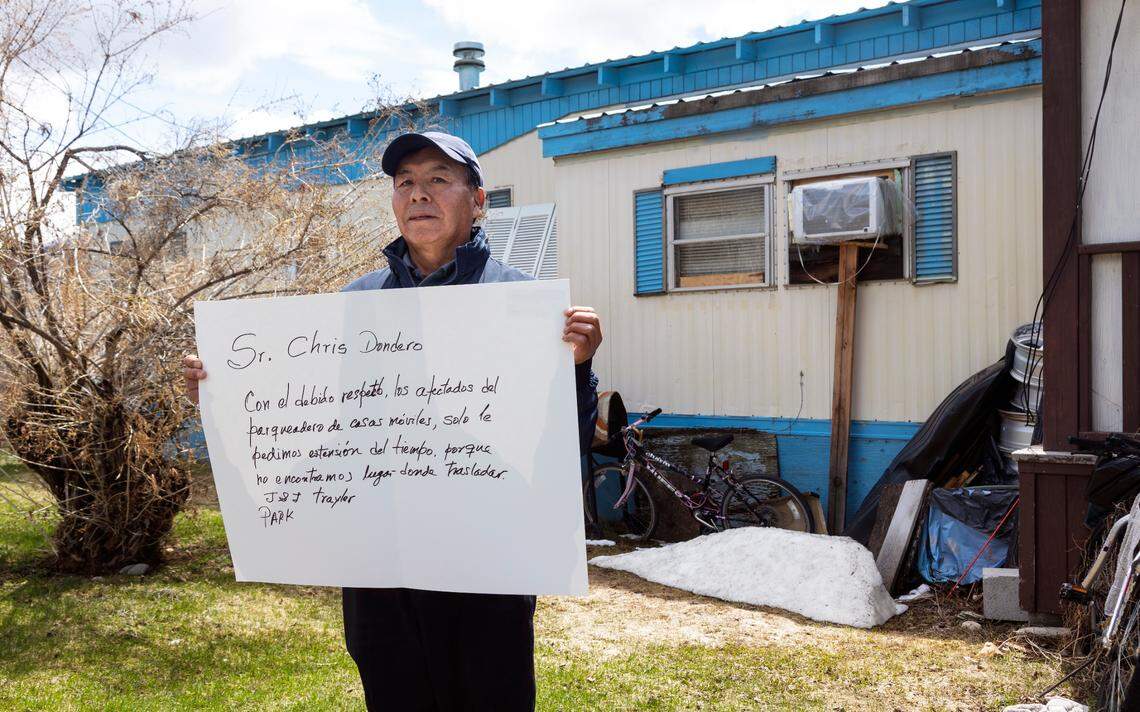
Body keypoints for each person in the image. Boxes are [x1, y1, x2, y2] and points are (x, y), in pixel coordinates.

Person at [182, 130, 602, 711]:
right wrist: (223, 392)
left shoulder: (524, 303)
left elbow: (564, 442)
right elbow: (315, 425)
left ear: (478, 200)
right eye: (405, 182)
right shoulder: (353, 305)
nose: (418, 194)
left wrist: (578, 369)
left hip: (487, 565)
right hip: (380, 572)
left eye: (438, 180)